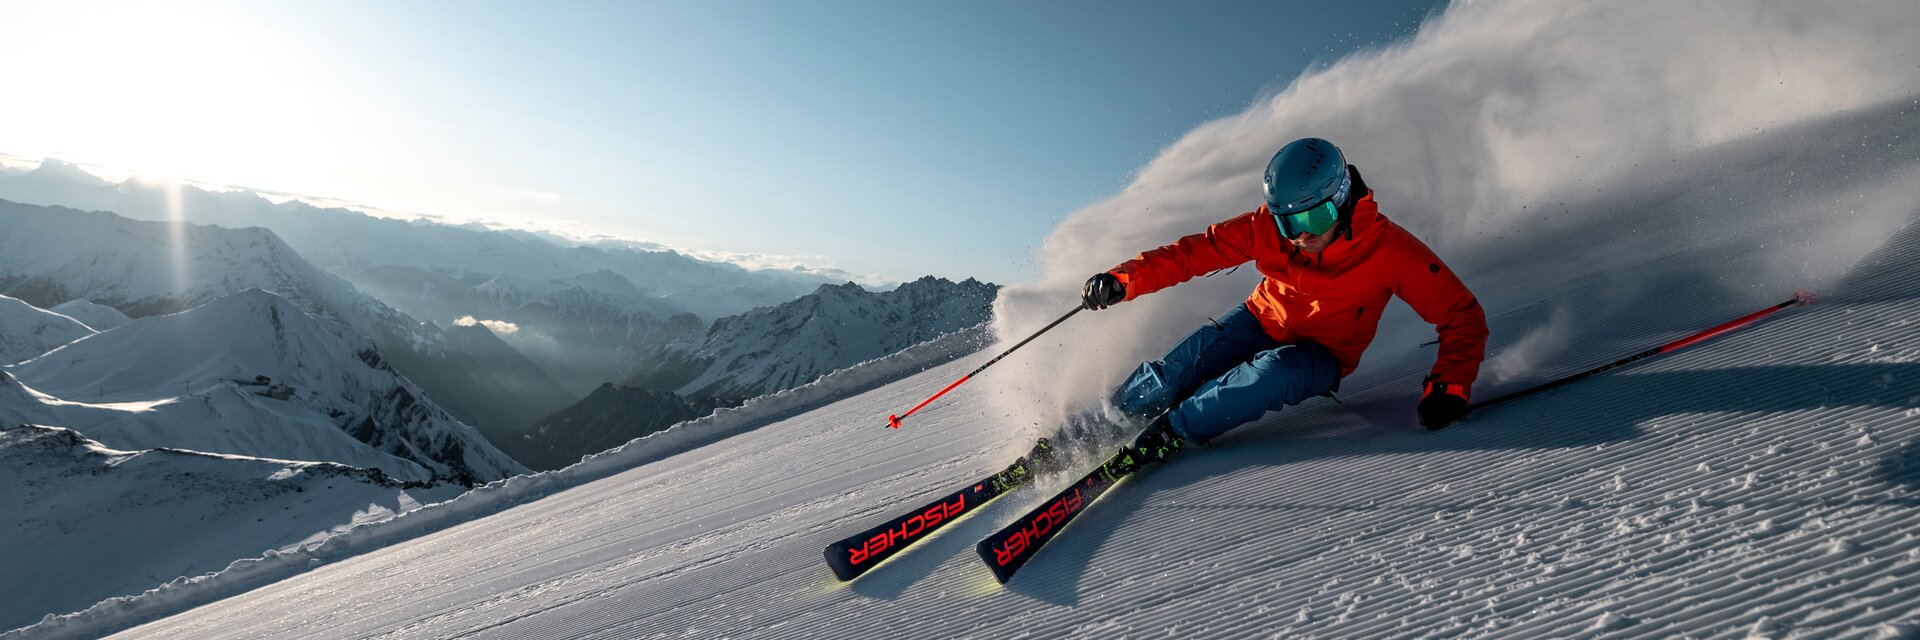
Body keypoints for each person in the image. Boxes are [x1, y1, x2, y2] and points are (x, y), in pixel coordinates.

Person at [1083, 137, 1488, 458]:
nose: (1300, 235)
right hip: (1260, 319)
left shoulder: (1390, 251)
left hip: (1324, 353)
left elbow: (1461, 315)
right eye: (1286, 221)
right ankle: (1105, 422)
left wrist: (1449, 386)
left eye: (1314, 217)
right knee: (1177, 373)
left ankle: (1170, 432)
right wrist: (1124, 279)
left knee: (1267, 375)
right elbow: (1193, 254)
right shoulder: (1267, 229)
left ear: (1342, 200)